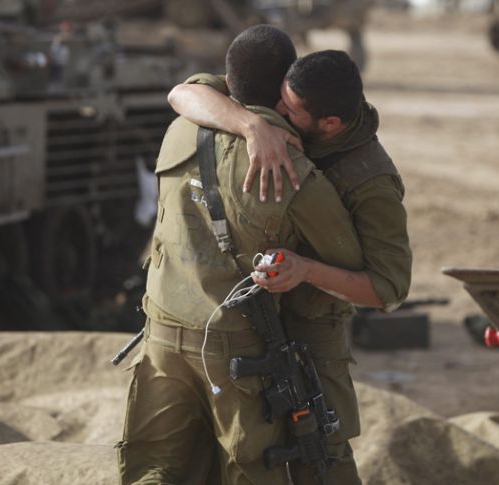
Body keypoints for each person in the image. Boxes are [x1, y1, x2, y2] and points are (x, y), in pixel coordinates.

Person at [115, 25, 365, 484]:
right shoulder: (292, 171)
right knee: (247, 466)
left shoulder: (178, 130)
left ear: (228, 80)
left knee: (154, 466)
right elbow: (357, 265)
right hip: (235, 350)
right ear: (284, 89)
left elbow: (184, 91)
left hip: (162, 333)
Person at [167, 49, 412, 484]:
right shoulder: (281, 102)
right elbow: (183, 94)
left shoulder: (369, 180)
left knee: (320, 462)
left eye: (289, 110)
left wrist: (305, 270)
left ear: (329, 125)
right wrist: (252, 125)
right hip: (255, 331)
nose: (276, 109)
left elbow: (387, 289)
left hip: (311, 343)